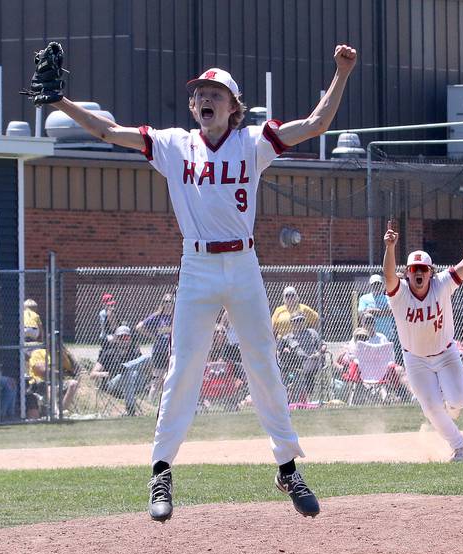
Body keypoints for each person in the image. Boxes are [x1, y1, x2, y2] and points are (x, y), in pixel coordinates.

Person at [33, 40, 356, 521]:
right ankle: (161, 471)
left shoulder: (254, 142)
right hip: (198, 266)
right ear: (192, 106)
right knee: (184, 368)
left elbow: (316, 125)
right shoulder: (173, 143)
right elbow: (107, 131)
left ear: (233, 107)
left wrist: (342, 73)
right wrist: (60, 102)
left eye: (216, 93)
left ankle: (288, 466)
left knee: (263, 363)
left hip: (244, 265)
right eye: (200, 93)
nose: (205, 99)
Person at [382, 208, 463, 463]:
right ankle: (460, 448)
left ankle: (450, 413)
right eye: (413, 269)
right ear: (407, 273)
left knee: (459, 400)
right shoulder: (399, 294)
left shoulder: (442, 284)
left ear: (431, 271)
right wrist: (389, 247)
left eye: (423, 268)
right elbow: (388, 275)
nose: (418, 272)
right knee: (431, 408)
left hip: (446, 354)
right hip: (416, 360)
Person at [90, 325, 147, 417]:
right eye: (121, 337)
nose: (124, 340)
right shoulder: (108, 354)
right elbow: (92, 374)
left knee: (141, 364)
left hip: (135, 384)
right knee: (127, 374)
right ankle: (131, 411)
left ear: (130, 339)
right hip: (113, 386)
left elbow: (144, 369)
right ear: (116, 339)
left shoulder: (135, 353)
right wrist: (105, 374)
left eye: (126, 337)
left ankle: (132, 410)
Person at [277, 312, 326, 405]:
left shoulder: (312, 332)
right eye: (296, 321)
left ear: (304, 321)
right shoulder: (287, 337)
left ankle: (306, 398)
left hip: (313, 361)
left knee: (305, 368)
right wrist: (284, 350)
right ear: (291, 323)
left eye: (300, 320)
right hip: (295, 364)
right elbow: (278, 352)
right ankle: (288, 397)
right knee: (287, 367)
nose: (298, 323)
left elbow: (323, 346)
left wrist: (318, 353)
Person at [135, 293, 175, 397]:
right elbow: (139, 327)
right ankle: (151, 402)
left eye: (170, 301)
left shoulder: (176, 317)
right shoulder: (157, 316)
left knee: (171, 377)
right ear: (163, 303)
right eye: (166, 302)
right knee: (157, 379)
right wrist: (152, 336)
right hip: (159, 351)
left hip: (173, 351)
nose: (169, 304)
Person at [200, 324, 246, 411]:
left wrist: (239, 380)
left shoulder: (232, 349)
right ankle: (204, 401)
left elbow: (238, 368)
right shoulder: (208, 349)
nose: (220, 334)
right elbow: (206, 365)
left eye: (223, 332)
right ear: (213, 334)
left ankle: (232, 402)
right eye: (217, 332)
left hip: (227, 379)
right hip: (211, 379)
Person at [25, 345, 80, 419]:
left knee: (73, 384)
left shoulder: (60, 354)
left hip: (57, 381)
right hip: (39, 383)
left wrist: (66, 355)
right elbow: (43, 371)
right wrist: (60, 373)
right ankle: (56, 413)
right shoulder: (38, 353)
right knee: (50, 386)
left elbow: (73, 370)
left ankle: (61, 412)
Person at [357, 274, 396, 343]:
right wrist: (383, 312)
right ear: (370, 285)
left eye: (378, 284)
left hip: (387, 333)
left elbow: (392, 311)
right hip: (370, 334)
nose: (376, 286)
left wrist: (372, 311)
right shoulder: (364, 298)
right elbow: (362, 313)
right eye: (374, 284)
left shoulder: (388, 297)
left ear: (382, 285)